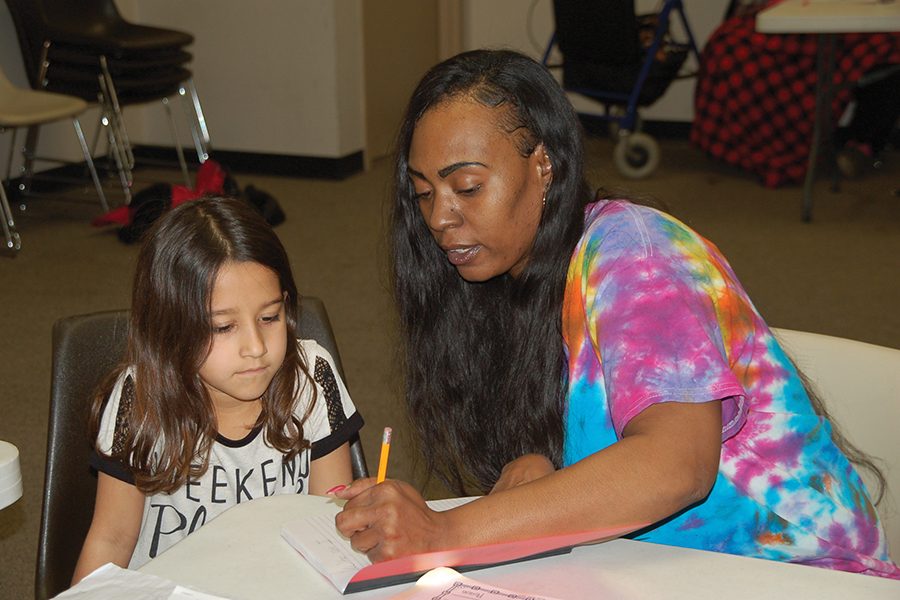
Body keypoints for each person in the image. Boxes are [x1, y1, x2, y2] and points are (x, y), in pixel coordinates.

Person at [334, 49, 899, 579]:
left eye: (467, 186)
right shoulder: (513, 267)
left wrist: (444, 531)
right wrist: (545, 460)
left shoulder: (636, 252)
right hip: (663, 569)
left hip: (795, 573)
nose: (440, 217)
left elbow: (676, 466)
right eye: (424, 193)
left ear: (544, 166)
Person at [73, 197, 363, 581]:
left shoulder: (311, 378)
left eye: (269, 317)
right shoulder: (139, 398)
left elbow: (326, 527)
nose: (256, 347)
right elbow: (110, 540)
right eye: (223, 327)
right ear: (170, 327)